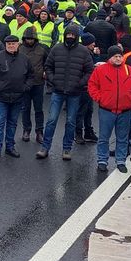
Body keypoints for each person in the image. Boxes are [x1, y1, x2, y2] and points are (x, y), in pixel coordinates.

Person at [39, 26, 94, 161]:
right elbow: (48, 66)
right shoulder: (57, 48)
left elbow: (89, 70)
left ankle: (67, 149)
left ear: (76, 36)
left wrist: (80, 83)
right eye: (68, 34)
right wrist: (53, 80)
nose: (70, 36)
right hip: (58, 91)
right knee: (51, 120)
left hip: (75, 92)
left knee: (70, 122)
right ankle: (45, 148)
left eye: (72, 34)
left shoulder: (83, 51)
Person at [88, 45, 131, 173]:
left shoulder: (130, 70)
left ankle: (121, 161)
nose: (118, 58)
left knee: (122, 137)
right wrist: (100, 99)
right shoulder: (100, 70)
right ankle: (102, 160)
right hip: (107, 110)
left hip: (124, 110)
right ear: (110, 58)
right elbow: (92, 85)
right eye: (115, 56)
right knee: (103, 137)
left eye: (120, 56)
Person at [0, 35, 33, 160]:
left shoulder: (25, 59)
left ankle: (10, 147)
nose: (11, 46)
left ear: (18, 44)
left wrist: (25, 87)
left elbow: (31, 75)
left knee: (12, 124)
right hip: (1, 97)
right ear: (5, 45)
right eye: (9, 44)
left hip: (18, 97)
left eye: (13, 44)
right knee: (0, 123)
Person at [19, 27, 48, 143]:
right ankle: (26, 130)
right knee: (25, 108)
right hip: (24, 83)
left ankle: (39, 131)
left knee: (38, 109)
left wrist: (45, 71)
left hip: (38, 82)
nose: (29, 41)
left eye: (31, 39)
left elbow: (48, 62)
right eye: (27, 39)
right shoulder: (20, 49)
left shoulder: (42, 49)